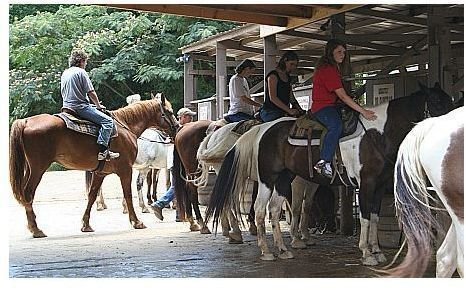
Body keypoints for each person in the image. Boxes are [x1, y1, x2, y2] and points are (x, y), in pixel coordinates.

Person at [310, 39, 377, 178]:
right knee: (336, 126)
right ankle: (324, 161)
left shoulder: (333, 68)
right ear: (331, 53)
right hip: (322, 107)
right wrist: (363, 111)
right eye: (339, 52)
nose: (343, 55)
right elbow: (343, 96)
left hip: (332, 105)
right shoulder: (328, 70)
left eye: (344, 52)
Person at [61, 49, 119, 161]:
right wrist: (98, 105)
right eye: (85, 62)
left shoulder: (65, 73)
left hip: (66, 107)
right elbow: (91, 92)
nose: (85, 65)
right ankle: (103, 150)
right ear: (81, 61)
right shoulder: (81, 72)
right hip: (80, 107)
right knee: (108, 122)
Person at [150, 107, 196, 221]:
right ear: (183, 117)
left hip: (175, 161)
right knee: (177, 186)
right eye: (189, 116)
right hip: (178, 161)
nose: (191, 118)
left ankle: (180, 215)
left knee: (181, 186)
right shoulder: (180, 130)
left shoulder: (177, 130)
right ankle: (160, 203)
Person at [259, 51, 303, 122]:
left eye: (295, 65)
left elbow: (291, 96)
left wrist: (299, 109)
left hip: (283, 111)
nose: (293, 67)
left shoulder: (288, 77)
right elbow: (273, 97)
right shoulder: (273, 76)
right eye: (291, 64)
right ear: (285, 61)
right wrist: (289, 110)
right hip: (270, 112)